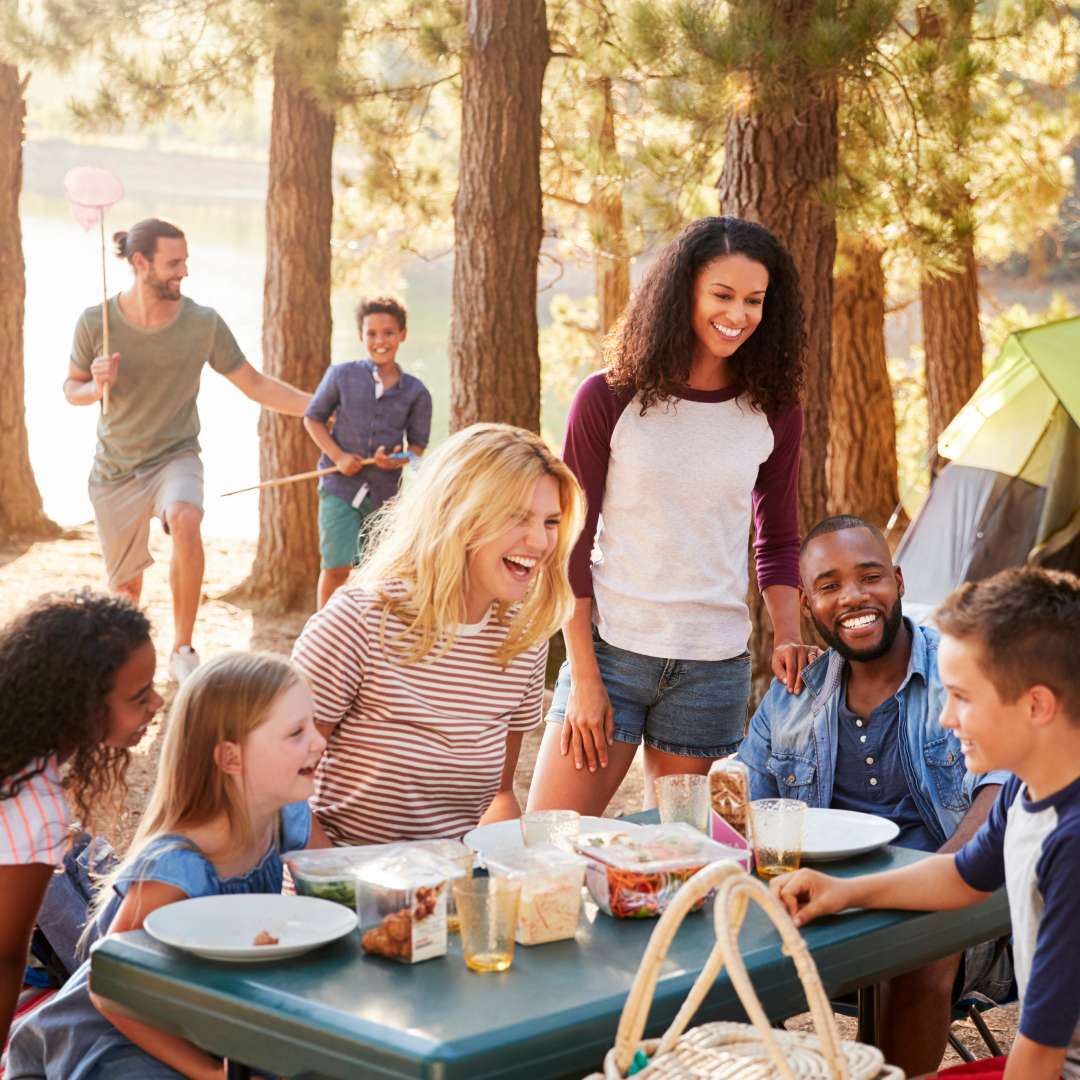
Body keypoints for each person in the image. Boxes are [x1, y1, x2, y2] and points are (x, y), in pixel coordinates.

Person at [527, 215, 818, 818]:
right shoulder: (608, 397)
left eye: (754, 301)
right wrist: (583, 677)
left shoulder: (774, 409)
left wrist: (788, 632)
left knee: (678, 860)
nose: (738, 314)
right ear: (682, 290)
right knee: (549, 847)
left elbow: (779, 536)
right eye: (722, 295)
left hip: (713, 667)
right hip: (612, 651)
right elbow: (570, 545)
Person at [773, 566, 1080, 1080]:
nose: (946, 718)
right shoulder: (1028, 790)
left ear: (1036, 706)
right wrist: (843, 892)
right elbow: (962, 874)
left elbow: (1042, 1053)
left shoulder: (1070, 843)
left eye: (962, 697)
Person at [738, 515, 1011, 1076]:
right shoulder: (793, 698)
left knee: (922, 949)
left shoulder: (959, 671)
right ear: (808, 607)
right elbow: (745, 810)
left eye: (870, 577)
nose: (854, 597)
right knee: (732, 951)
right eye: (829, 586)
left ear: (900, 582)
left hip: (953, 895)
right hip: (823, 898)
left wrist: (924, 886)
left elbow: (996, 802)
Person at [5, 652, 330, 1079]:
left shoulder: (285, 815)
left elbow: (335, 888)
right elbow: (110, 986)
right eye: (296, 732)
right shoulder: (178, 868)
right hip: (122, 1033)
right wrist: (209, 1075)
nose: (319, 741)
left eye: (313, 723)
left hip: (211, 1019)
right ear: (231, 759)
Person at [291, 423, 584, 846]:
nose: (540, 541)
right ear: (457, 514)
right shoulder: (356, 623)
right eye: (518, 517)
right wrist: (344, 884)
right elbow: (279, 792)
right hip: (338, 891)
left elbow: (500, 796)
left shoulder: (524, 639)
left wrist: (508, 872)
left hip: (447, 892)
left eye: (551, 521)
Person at [63, 218, 312, 685]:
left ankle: (182, 648)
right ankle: (125, 664)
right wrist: (95, 387)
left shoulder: (202, 324)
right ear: (141, 263)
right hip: (114, 469)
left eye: (185, 261)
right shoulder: (95, 323)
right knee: (125, 588)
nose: (184, 272)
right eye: (173, 263)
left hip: (175, 455)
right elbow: (70, 389)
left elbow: (254, 383)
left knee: (186, 515)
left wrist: (318, 407)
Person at [0, 590, 160, 1047]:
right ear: (82, 707)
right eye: (140, 695)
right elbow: (4, 958)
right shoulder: (32, 805)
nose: (159, 703)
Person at [303, 295, 432, 608]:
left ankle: (366, 637)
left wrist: (397, 460)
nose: (380, 341)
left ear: (402, 334)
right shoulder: (341, 375)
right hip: (339, 488)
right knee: (335, 567)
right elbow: (313, 418)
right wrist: (338, 456)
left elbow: (417, 448)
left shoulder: (416, 392)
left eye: (388, 333)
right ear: (361, 336)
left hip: (384, 496)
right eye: (371, 334)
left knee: (375, 570)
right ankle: (326, 637)